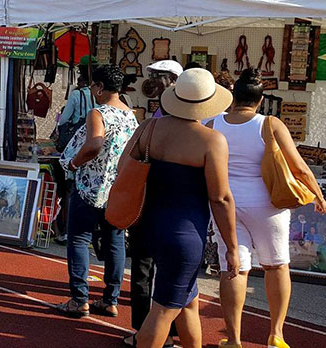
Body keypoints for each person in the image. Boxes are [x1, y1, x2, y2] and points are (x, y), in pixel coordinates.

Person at [211, 69, 326, 348]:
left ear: (232, 96)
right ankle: (276, 333)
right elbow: (298, 166)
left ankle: (234, 339)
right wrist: (318, 194)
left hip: (226, 203)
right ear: (260, 100)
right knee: (277, 266)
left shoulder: (212, 122)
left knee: (234, 268)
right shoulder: (270, 124)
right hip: (268, 204)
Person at [126, 68, 239, 348]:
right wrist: (233, 247)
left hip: (149, 226)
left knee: (188, 302)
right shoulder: (211, 141)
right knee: (164, 310)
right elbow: (221, 198)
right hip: (185, 235)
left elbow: (123, 170)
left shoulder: (149, 128)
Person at [53, 65, 138, 319]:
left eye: (93, 86)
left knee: (78, 238)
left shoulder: (98, 113)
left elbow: (95, 144)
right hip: (117, 188)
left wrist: (75, 162)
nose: (92, 90)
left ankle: (80, 298)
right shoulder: (130, 116)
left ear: (100, 87)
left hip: (91, 186)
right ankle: (111, 299)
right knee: (114, 241)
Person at [53, 64, 95, 244]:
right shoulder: (100, 96)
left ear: (82, 79)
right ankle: (90, 230)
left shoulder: (77, 95)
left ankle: (68, 230)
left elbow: (63, 119)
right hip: (95, 144)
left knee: (70, 188)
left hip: (77, 144)